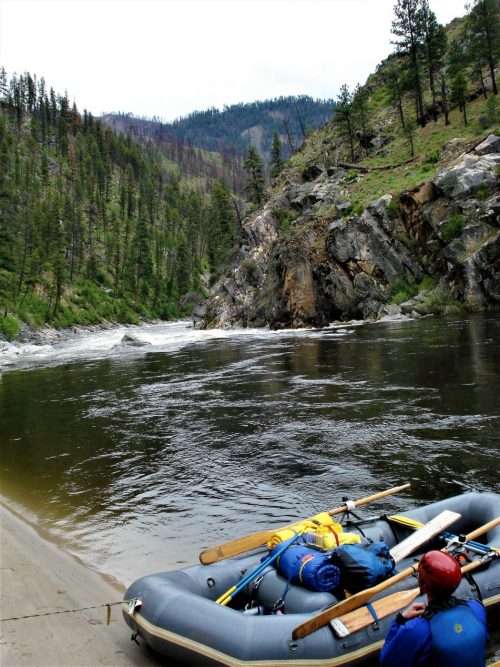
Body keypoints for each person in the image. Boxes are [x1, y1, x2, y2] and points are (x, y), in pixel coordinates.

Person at [380, 550, 488, 666]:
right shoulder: (475, 608)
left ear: (422, 583)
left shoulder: (416, 629)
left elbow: (386, 662)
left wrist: (400, 620)